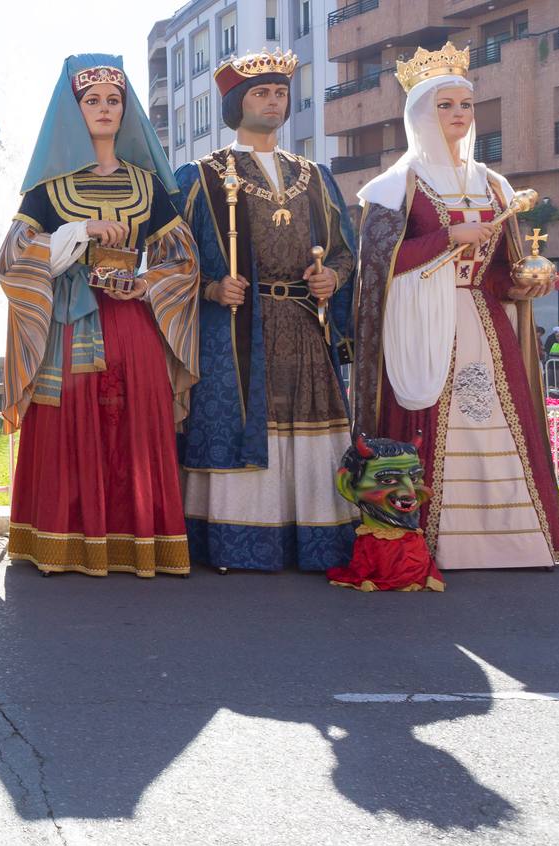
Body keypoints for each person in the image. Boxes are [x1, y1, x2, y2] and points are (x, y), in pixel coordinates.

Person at [351, 42, 559, 568]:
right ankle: (431, 537)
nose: (458, 115)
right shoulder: (396, 184)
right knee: (437, 416)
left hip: (486, 322)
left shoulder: (493, 184)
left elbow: (499, 268)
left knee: (499, 415)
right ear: (422, 112)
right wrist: (449, 237)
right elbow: (378, 264)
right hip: (424, 323)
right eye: (445, 105)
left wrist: (524, 285)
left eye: (464, 105)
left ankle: (515, 540)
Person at [0, 53, 200, 578]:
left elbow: (182, 258)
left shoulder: (148, 185)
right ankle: (63, 541)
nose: (105, 109)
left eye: (114, 100)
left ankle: (137, 543)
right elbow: (12, 257)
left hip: (132, 324)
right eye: (93, 101)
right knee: (69, 425)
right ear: (74, 110)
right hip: (69, 321)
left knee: (134, 425)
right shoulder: (48, 188)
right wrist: (77, 232)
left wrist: (146, 282)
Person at [174, 50, 359, 572]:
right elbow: (168, 257)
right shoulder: (201, 174)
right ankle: (236, 543)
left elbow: (345, 249)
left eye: (280, 92)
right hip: (233, 331)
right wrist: (210, 289)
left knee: (307, 432)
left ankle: (314, 539)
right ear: (237, 102)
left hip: (302, 327)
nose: (274, 101)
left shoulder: (316, 176)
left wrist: (333, 278)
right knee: (239, 427)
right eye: (261, 92)